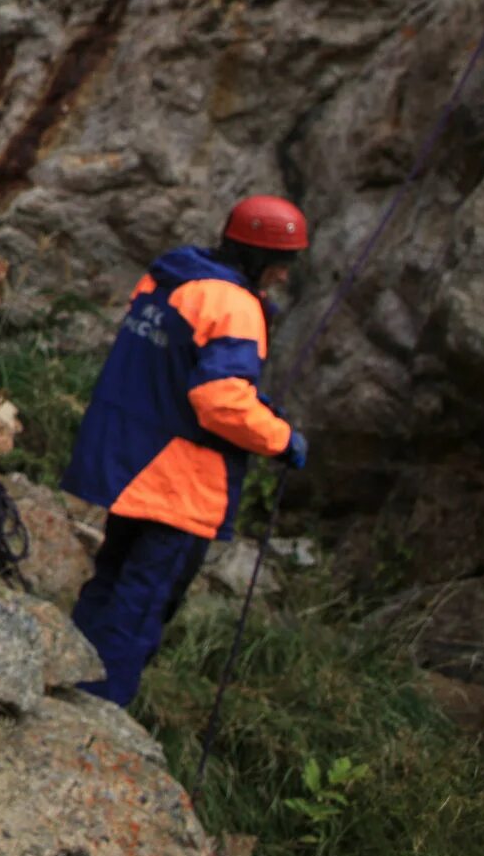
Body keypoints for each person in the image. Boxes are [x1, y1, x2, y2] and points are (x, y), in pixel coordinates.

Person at [60, 196, 311, 707]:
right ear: (261, 258)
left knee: (109, 582)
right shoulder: (234, 304)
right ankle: (97, 712)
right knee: (141, 605)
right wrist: (282, 439)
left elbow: (173, 370)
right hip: (178, 483)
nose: (284, 276)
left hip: (132, 465)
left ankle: (62, 682)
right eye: (283, 263)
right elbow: (219, 400)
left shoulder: (166, 279)